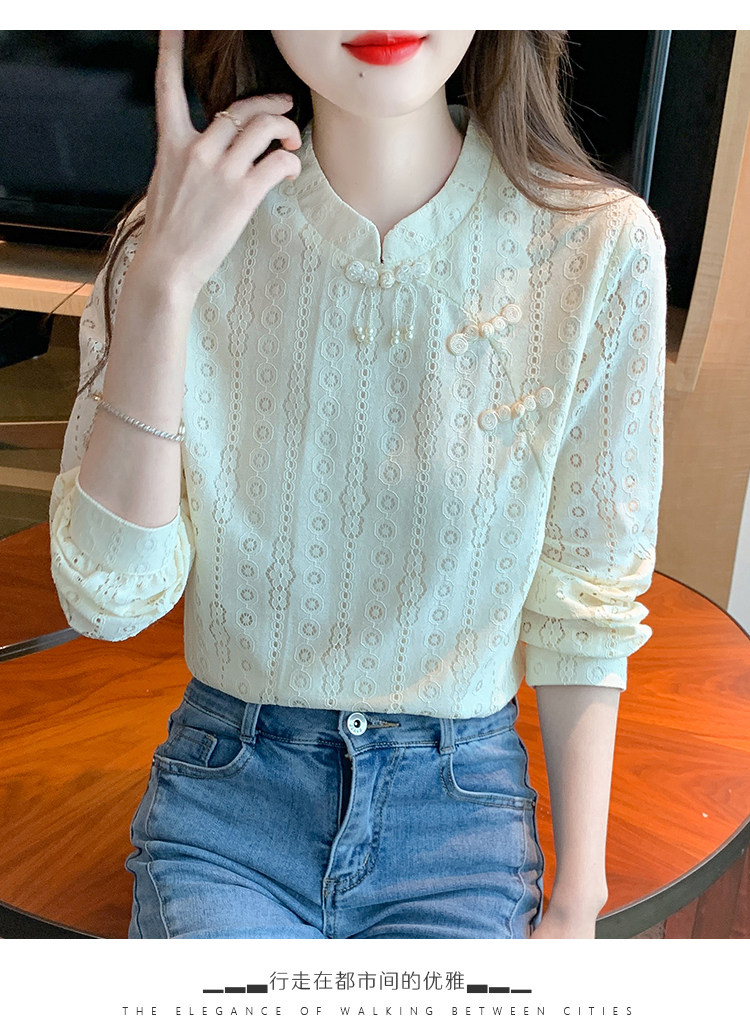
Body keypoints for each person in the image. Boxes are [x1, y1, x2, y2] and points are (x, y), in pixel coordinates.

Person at [48, 29, 667, 940]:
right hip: (229, 802)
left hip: (458, 816)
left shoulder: (600, 250)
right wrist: (163, 282)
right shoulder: (170, 241)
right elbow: (109, 598)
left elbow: (586, 609)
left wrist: (579, 900)